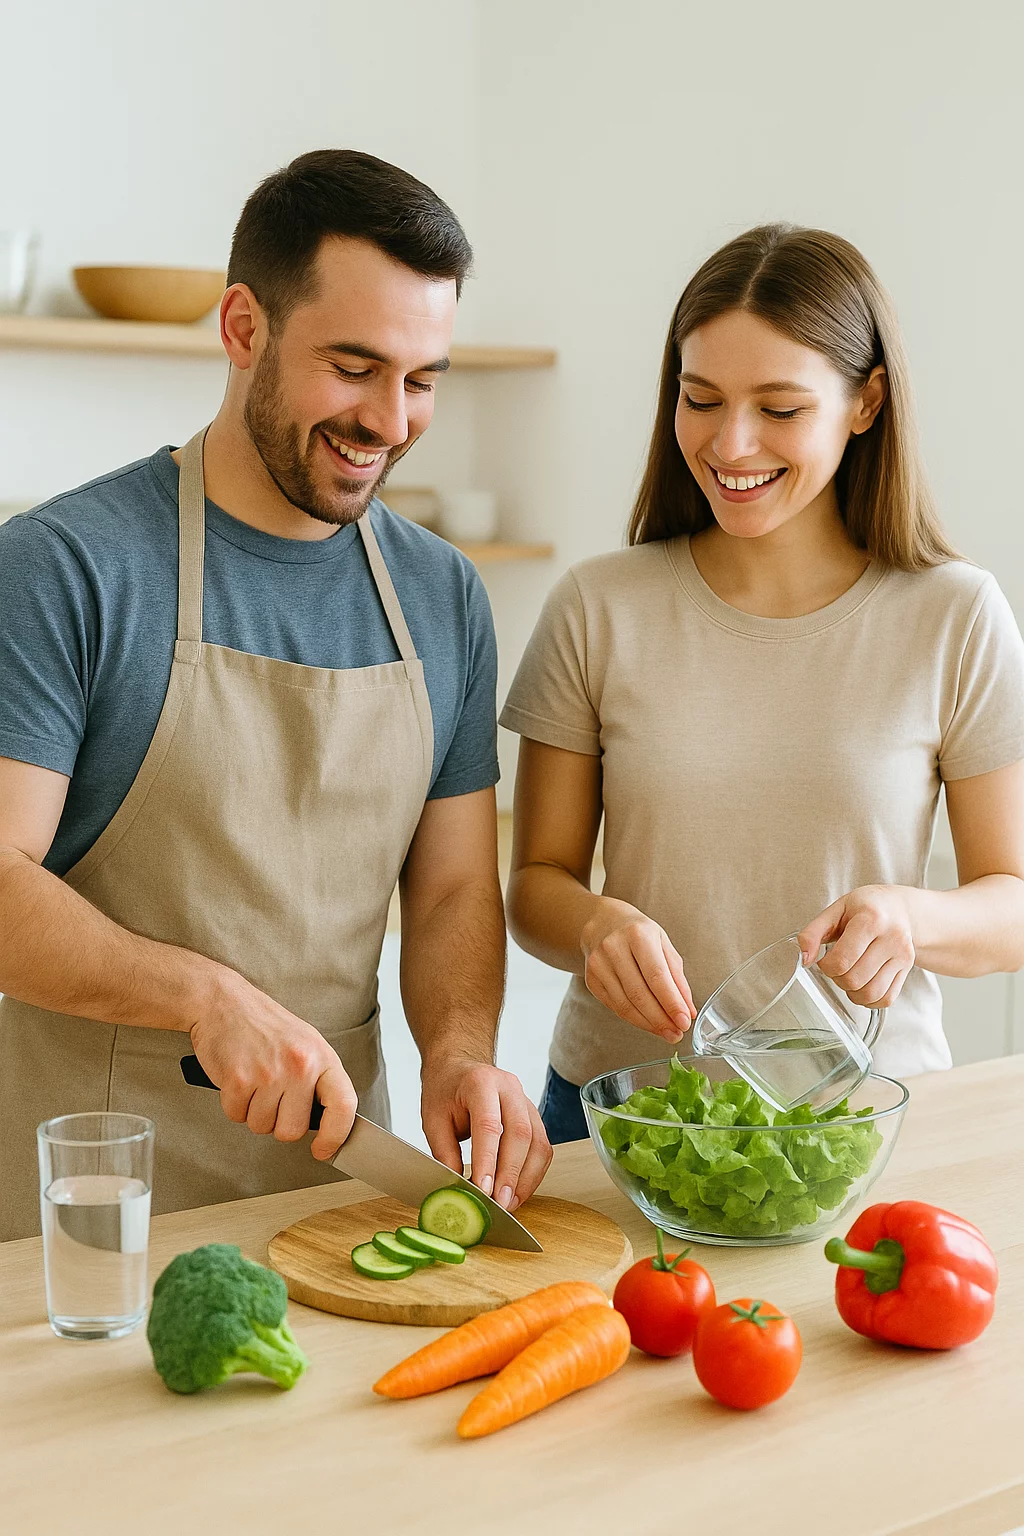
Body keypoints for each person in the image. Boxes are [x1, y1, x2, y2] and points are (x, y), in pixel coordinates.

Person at [0, 149, 550, 1238]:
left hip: (344, 1204)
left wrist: (457, 1051)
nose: (390, 420)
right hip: (96, 1211)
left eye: (424, 377)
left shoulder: (442, 597)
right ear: (242, 327)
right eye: (353, 366)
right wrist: (207, 1000)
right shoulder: (66, 567)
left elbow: (448, 892)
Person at [501, 223, 1024, 1144]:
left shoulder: (955, 615)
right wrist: (593, 925)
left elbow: (1011, 902)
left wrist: (910, 918)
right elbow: (536, 885)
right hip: (624, 1117)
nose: (730, 443)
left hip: (861, 1117)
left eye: (779, 408)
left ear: (866, 403)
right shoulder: (598, 606)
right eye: (700, 399)